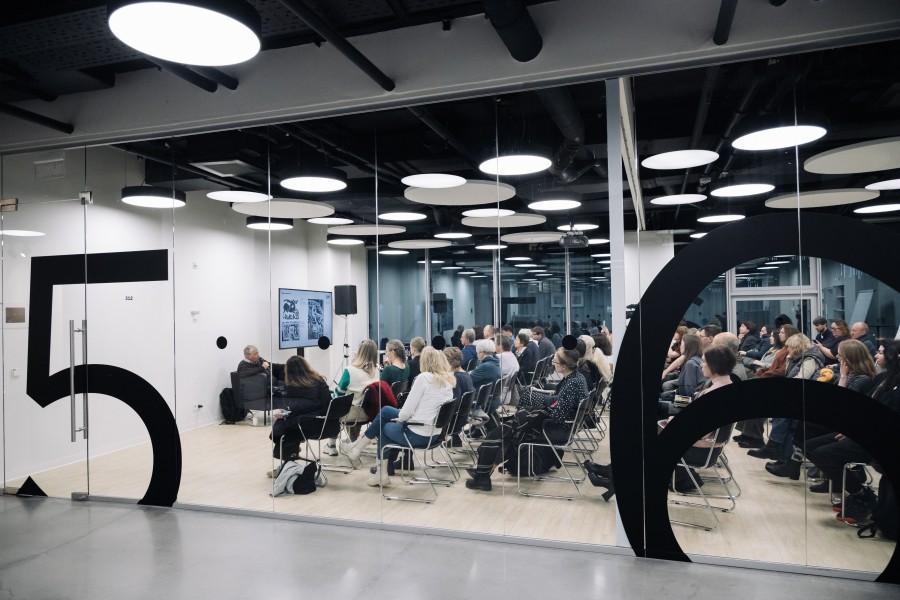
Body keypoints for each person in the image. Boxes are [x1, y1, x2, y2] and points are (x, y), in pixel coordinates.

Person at [465, 347, 589, 491]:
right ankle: (484, 473)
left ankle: (483, 474)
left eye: (555, 362)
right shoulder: (576, 378)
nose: (553, 364)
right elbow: (559, 405)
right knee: (506, 432)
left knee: (504, 433)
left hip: (556, 429)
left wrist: (534, 412)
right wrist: (537, 409)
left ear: (564, 366)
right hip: (562, 426)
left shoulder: (572, 383)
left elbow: (558, 414)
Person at [807, 340, 900, 523]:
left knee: (823, 454)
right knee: (811, 445)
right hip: (862, 431)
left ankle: (861, 495)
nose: (876, 355)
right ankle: (856, 490)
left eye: (881, 352)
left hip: (879, 439)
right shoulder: (883, 378)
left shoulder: (873, 380)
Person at [345, 347, 455, 487]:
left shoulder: (424, 378)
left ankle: (378, 471)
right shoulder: (447, 381)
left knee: (383, 426)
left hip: (418, 433)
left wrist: (402, 418)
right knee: (386, 411)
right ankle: (358, 449)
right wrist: (404, 417)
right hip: (434, 433)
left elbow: (406, 412)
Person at [267, 355, 331, 475]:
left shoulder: (292, 388)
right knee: (286, 429)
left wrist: (287, 414)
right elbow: (325, 404)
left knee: (280, 432)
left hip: (310, 424)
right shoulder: (320, 381)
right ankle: (289, 459)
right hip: (326, 423)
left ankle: (287, 465)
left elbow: (295, 408)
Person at [325, 339, 379, 455]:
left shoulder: (349, 370)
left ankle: (331, 445)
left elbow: (337, 394)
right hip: (368, 414)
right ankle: (353, 440)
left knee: (333, 405)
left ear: (359, 352)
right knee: (356, 402)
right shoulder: (378, 371)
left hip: (348, 415)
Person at [443, 347, 474, 445]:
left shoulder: (456, 379)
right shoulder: (466, 375)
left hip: (453, 423)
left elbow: (454, 405)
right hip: (462, 419)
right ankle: (455, 439)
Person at [470, 338, 501, 417]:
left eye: (477, 352)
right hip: (493, 401)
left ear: (482, 352)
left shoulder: (485, 366)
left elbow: (468, 380)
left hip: (483, 404)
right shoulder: (495, 362)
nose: (477, 354)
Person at [495, 334, 520, 406]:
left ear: (500, 346)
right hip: (507, 394)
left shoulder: (498, 358)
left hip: (498, 394)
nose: (494, 345)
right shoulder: (512, 355)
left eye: (495, 343)